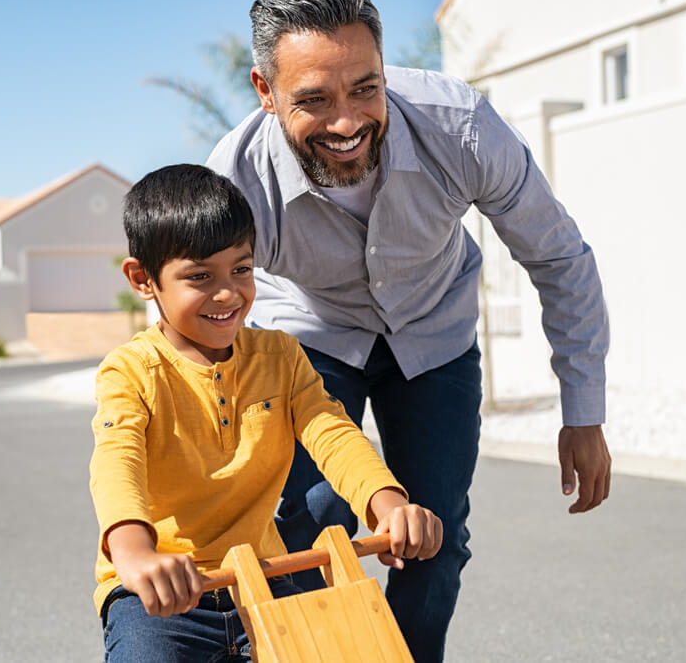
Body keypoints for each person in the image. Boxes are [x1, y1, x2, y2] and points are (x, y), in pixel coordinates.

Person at [206, 0, 612, 660]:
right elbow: (197, 324)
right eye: (314, 98)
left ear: (384, 68)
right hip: (309, 335)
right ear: (265, 91)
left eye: (365, 87)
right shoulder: (236, 182)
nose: (347, 121)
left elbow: (558, 254)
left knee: (437, 534)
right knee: (309, 519)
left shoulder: (461, 128)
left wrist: (584, 411)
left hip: (434, 329)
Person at [90, 163, 444, 662]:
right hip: (162, 596)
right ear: (143, 279)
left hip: (263, 576)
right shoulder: (130, 371)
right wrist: (133, 553)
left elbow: (333, 433)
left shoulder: (279, 357)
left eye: (241, 268)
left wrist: (389, 505)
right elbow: (116, 461)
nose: (228, 293)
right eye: (199, 277)